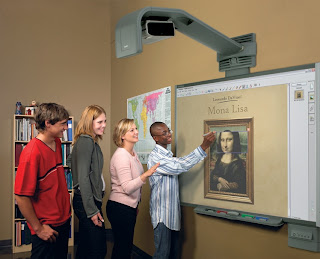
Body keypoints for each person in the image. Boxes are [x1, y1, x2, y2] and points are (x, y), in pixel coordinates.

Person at [147, 122, 216, 259]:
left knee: (173, 254)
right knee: (162, 255)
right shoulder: (155, 158)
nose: (169, 134)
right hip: (162, 216)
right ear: (155, 138)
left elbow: (180, 162)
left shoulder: (167, 155)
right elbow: (180, 166)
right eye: (164, 133)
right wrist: (203, 147)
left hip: (172, 214)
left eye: (169, 131)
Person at [14, 103, 71, 259]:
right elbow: (20, 196)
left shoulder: (57, 142)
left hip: (63, 221)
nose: (66, 128)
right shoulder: (32, 153)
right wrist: (38, 229)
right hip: (47, 226)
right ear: (48, 123)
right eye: (62, 124)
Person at [106, 118, 160, 259]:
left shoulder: (133, 153)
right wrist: (147, 174)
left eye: (136, 129)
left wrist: (135, 205)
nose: (136, 132)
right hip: (119, 208)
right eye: (132, 130)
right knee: (122, 248)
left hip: (128, 207)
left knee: (125, 247)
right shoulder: (121, 156)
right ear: (122, 135)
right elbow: (128, 187)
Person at [68, 105, 107, 259]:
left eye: (105, 121)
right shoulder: (86, 141)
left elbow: (70, 161)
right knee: (98, 249)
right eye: (99, 122)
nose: (104, 125)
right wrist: (91, 210)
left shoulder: (85, 141)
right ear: (89, 122)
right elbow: (83, 177)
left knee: (85, 246)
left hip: (86, 200)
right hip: (87, 203)